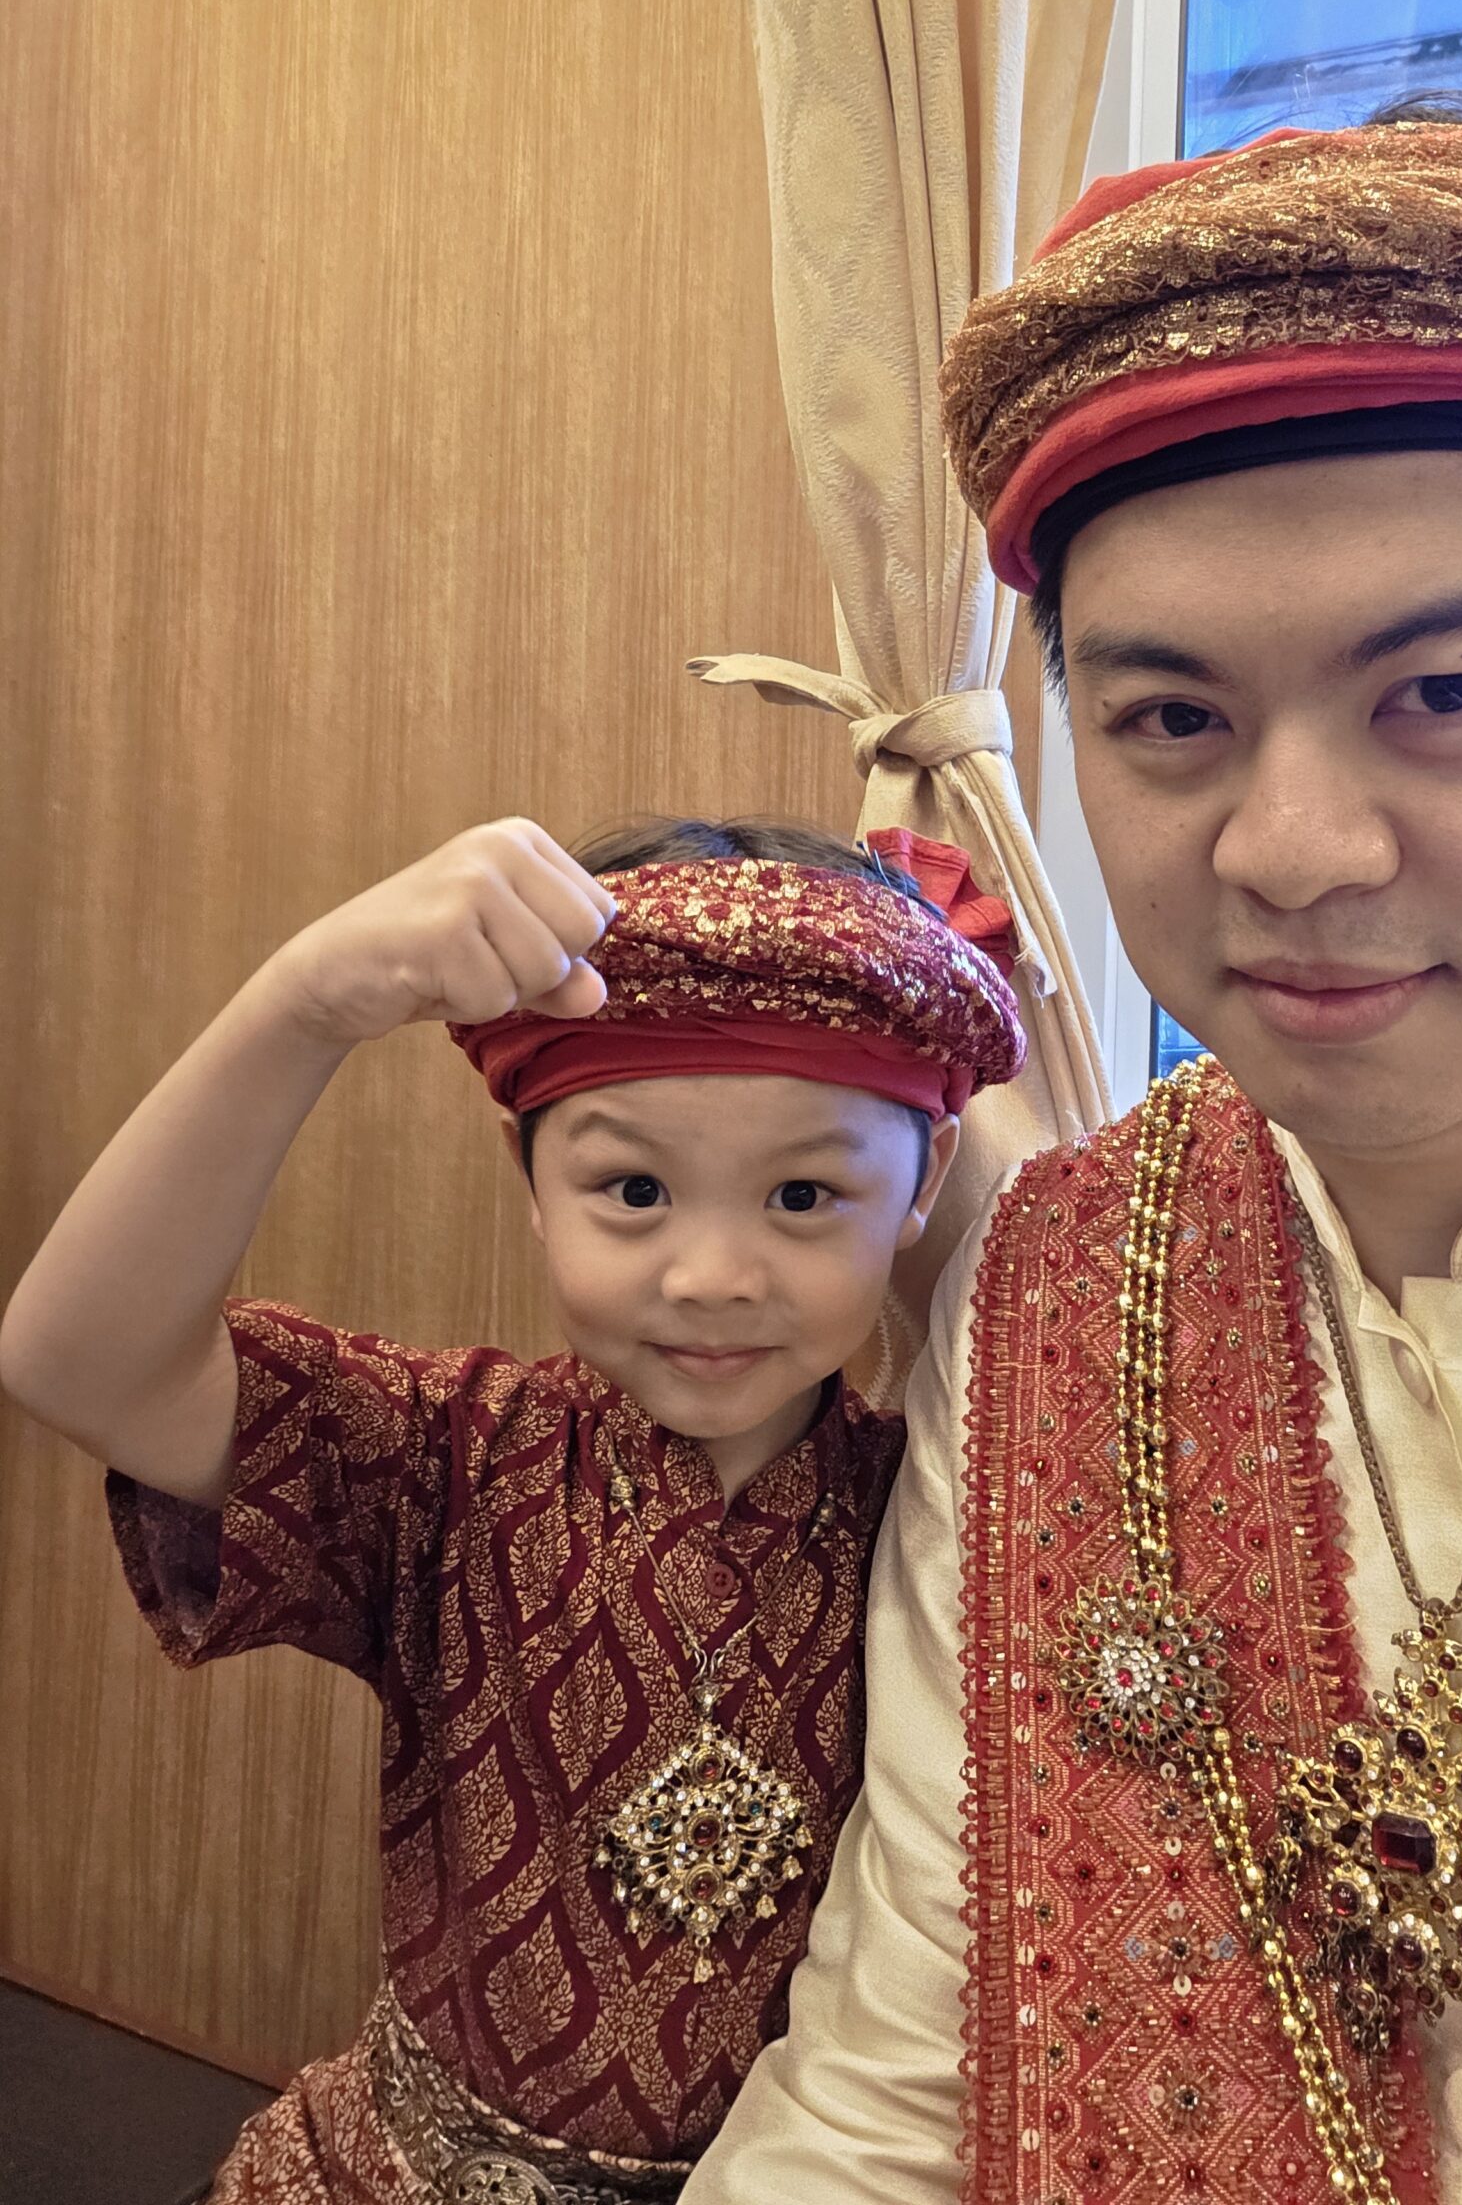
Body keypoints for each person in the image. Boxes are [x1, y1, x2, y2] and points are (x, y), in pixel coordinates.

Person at [682, 28, 1462, 2204]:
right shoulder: (1067, 1284)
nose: (1292, 848)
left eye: (1444, 691)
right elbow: (898, 2076)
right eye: (1173, 718)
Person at [0, 811, 1024, 2202]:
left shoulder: (957, 1522)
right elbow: (78, 1364)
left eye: (803, 1193)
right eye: (635, 1188)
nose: (712, 1275)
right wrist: (302, 1005)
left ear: (922, 1185)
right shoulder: (446, 1454)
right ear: (531, 1182)